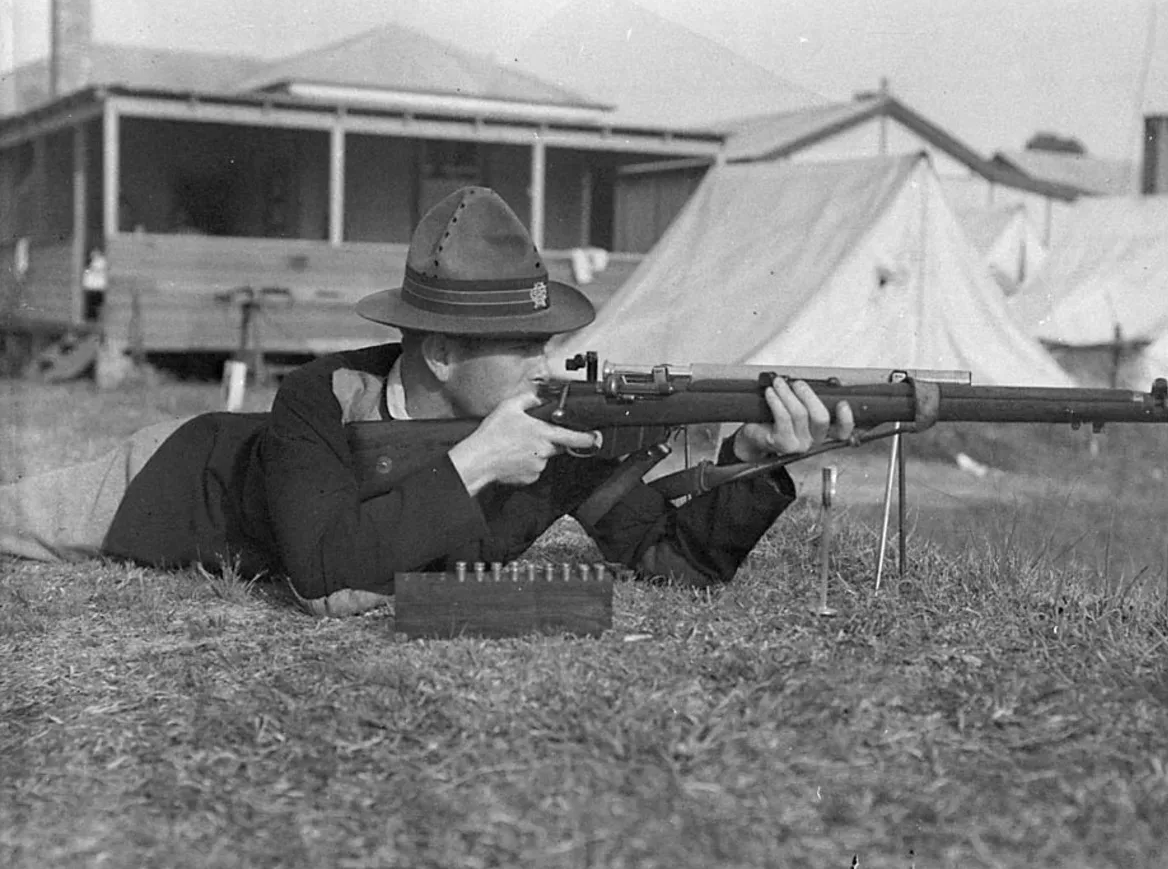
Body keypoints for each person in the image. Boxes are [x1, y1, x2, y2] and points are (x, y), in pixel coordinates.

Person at [1, 187, 853, 617]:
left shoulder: (548, 431)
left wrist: (753, 462)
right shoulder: (318, 396)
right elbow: (320, 575)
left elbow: (675, 566)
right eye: (524, 347)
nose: (545, 364)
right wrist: (481, 460)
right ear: (440, 352)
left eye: (548, 343)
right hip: (172, 478)